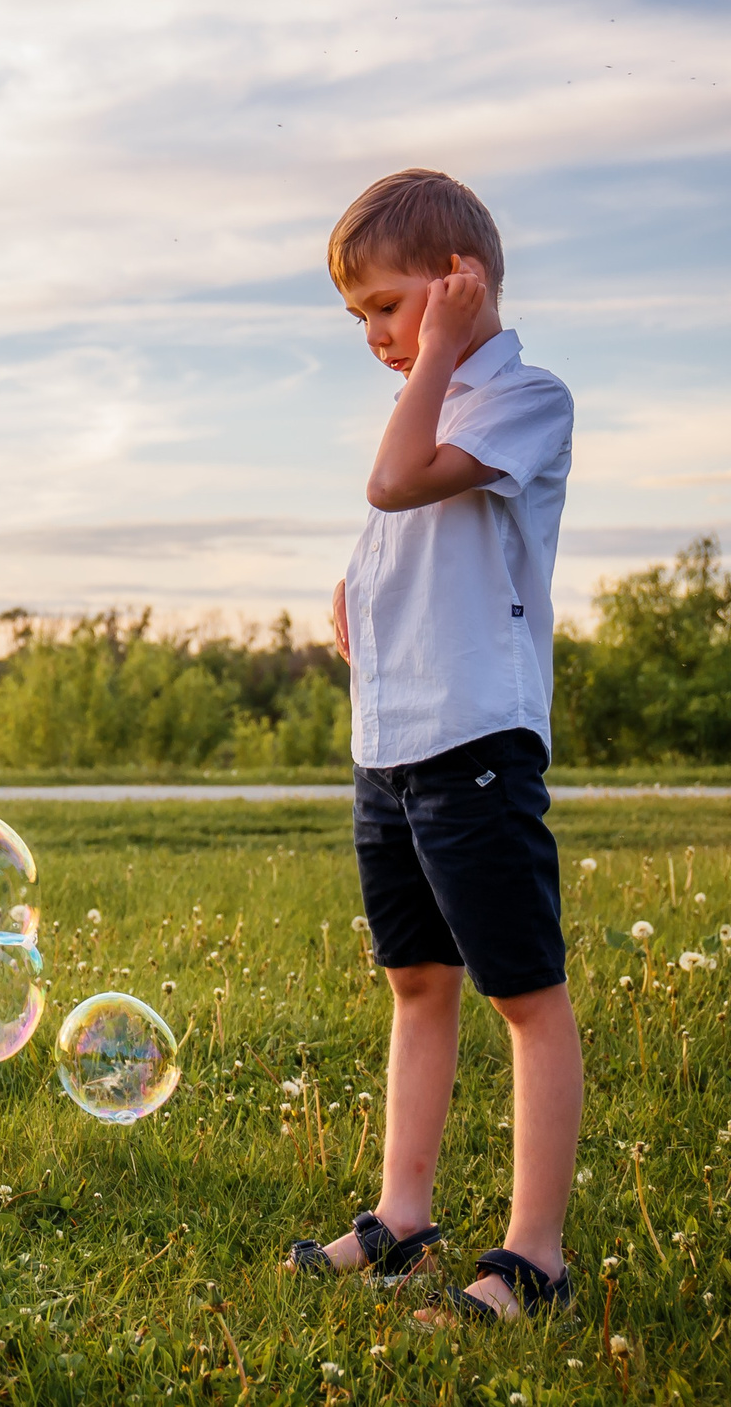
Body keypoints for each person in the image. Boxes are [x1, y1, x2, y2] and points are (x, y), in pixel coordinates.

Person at [284, 169, 579, 1325]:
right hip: (393, 747)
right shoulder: (433, 402)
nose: (373, 336)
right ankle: (400, 1218)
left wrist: (444, 347)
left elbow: (394, 483)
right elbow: (400, 526)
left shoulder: (524, 398)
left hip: (474, 744)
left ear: (460, 282)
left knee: (523, 994)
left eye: (387, 306)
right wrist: (355, 588)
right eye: (358, 316)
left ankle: (533, 1258)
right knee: (417, 981)